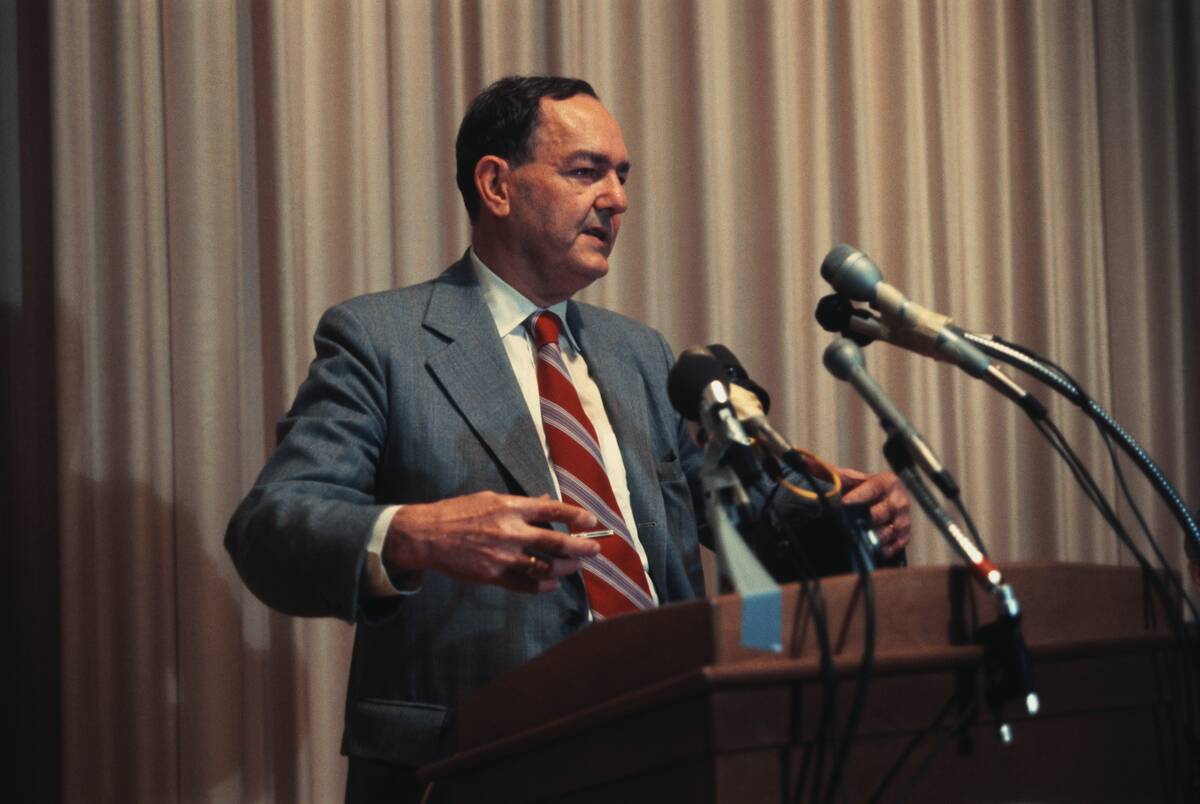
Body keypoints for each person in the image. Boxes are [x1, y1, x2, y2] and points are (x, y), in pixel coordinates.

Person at [225, 75, 911, 802]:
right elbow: (270, 528)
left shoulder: (639, 354)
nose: (616, 199)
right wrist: (417, 534)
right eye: (586, 172)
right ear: (496, 185)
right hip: (477, 765)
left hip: (672, 748)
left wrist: (852, 516)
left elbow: (745, 523)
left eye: (622, 176)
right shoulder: (382, 340)